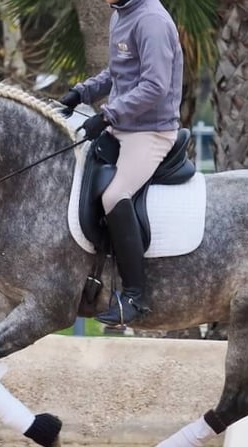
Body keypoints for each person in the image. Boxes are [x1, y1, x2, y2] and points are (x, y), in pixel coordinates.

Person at [59, 0, 183, 327]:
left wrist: (108, 115)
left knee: (115, 196)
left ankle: (134, 297)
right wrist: (79, 94)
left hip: (151, 132)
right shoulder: (121, 14)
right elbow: (117, 74)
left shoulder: (152, 20)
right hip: (122, 128)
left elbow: (155, 86)